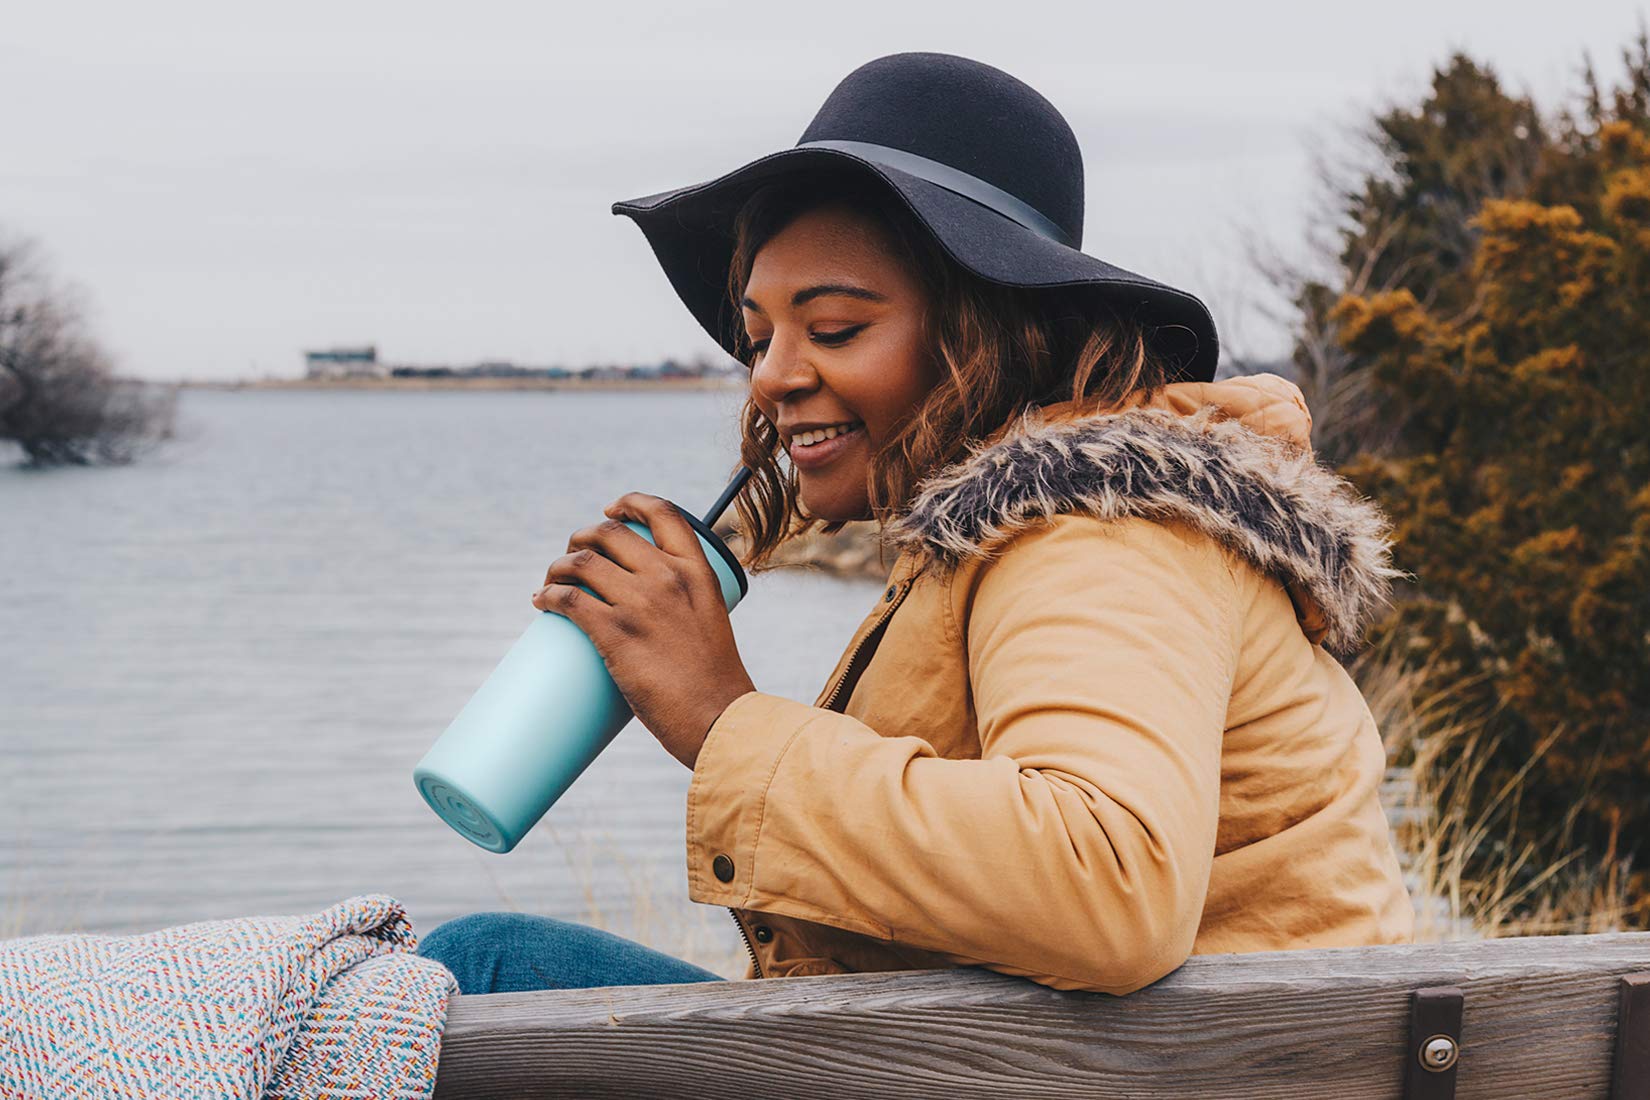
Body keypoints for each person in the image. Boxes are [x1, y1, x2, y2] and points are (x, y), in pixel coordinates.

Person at [417, 51, 1414, 996]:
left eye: (835, 326)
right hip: (1056, 1067)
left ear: (987, 326)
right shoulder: (1000, 540)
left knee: (484, 964)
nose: (770, 374)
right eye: (759, 336)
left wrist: (722, 717)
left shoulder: (1103, 531)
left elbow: (1112, 879)